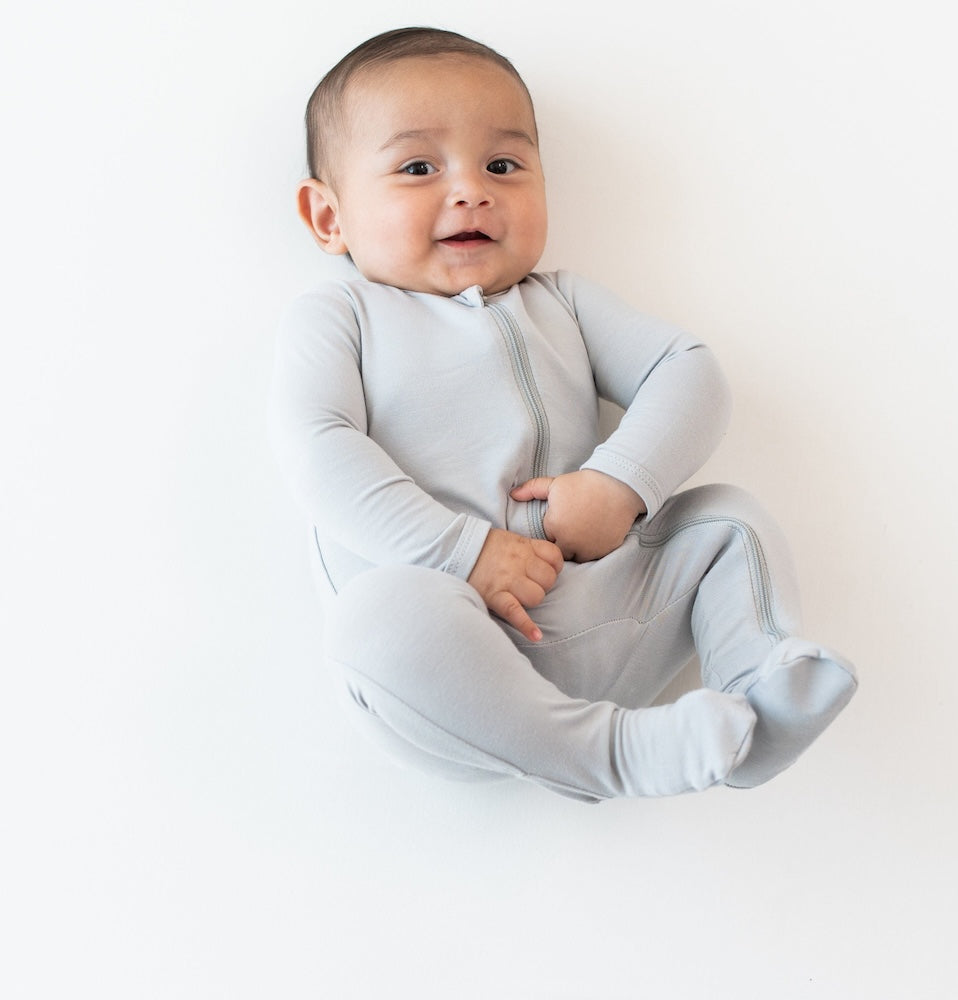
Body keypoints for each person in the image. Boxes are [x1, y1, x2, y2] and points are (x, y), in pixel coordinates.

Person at [268, 26, 857, 802]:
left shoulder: (563, 302)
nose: (470, 189)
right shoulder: (343, 315)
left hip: (604, 607)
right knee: (376, 618)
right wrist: (461, 553)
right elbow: (319, 449)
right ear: (328, 217)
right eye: (418, 167)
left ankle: (758, 693)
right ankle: (610, 755)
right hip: (454, 651)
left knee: (725, 520)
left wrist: (620, 483)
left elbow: (688, 372)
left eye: (504, 165)